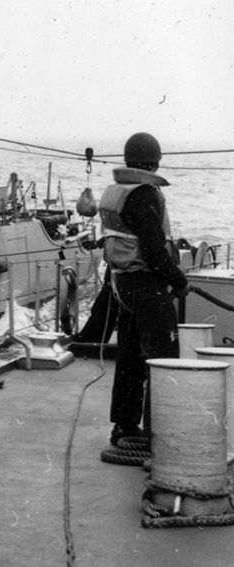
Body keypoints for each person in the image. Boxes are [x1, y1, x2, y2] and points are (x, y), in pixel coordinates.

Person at [98, 131, 187, 449]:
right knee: (164, 358)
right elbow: (152, 249)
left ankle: (124, 427)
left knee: (131, 356)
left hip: (123, 283)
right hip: (147, 284)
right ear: (155, 162)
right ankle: (158, 436)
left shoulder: (119, 191)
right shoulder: (145, 193)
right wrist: (178, 280)